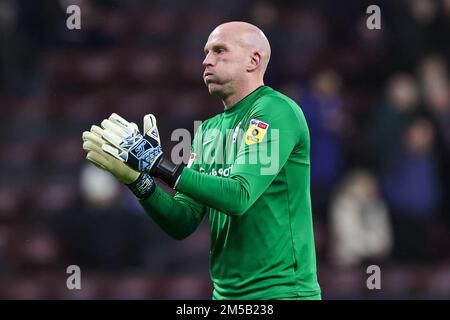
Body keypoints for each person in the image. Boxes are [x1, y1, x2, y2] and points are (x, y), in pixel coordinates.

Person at [82, 21, 321, 300]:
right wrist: (138, 180)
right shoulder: (208, 131)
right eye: (206, 52)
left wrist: (158, 163)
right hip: (225, 297)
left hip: (283, 293)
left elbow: (239, 195)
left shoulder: (275, 110)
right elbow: (182, 221)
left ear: (253, 60)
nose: (207, 60)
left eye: (220, 51)